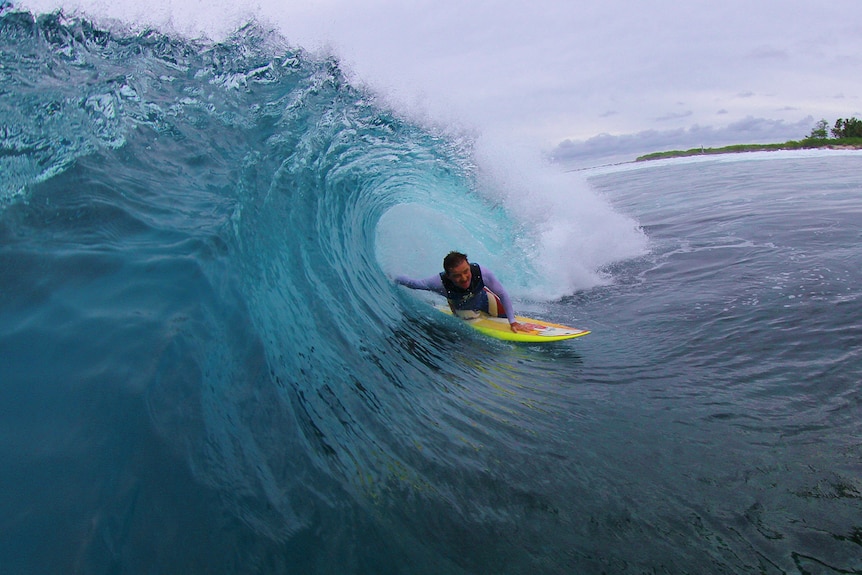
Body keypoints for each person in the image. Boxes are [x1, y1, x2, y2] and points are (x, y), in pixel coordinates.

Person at [395, 251, 528, 333]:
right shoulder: (438, 283)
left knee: (504, 315)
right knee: (469, 317)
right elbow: (413, 284)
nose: (464, 278)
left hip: (484, 298)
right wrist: (395, 278)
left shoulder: (482, 272)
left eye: (466, 271)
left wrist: (513, 321)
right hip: (463, 307)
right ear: (448, 276)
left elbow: (503, 294)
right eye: (457, 275)